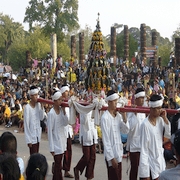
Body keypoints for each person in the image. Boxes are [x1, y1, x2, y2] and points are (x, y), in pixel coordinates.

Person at [139, 94, 171, 180]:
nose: (160, 110)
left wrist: (165, 119)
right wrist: (145, 174)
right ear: (152, 109)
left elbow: (167, 135)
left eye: (160, 108)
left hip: (160, 161)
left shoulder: (160, 120)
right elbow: (144, 150)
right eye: (158, 108)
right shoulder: (145, 125)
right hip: (150, 164)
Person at [100, 90, 129, 180]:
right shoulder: (105, 118)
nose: (116, 103)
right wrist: (111, 158)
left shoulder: (118, 116)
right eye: (114, 101)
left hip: (118, 152)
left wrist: (124, 117)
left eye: (117, 101)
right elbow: (106, 140)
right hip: (111, 154)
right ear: (109, 102)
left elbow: (125, 130)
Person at [47, 91, 68, 180]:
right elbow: (50, 132)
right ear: (55, 101)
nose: (60, 101)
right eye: (59, 100)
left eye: (61, 100)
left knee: (59, 165)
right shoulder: (51, 113)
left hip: (62, 141)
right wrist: (51, 147)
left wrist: (64, 112)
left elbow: (65, 123)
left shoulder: (61, 111)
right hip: (55, 143)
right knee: (58, 165)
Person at [126, 88, 146, 180]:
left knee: (143, 168)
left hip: (143, 144)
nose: (142, 100)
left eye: (143, 98)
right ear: (136, 99)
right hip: (134, 145)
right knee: (134, 168)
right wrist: (135, 114)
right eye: (141, 98)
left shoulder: (145, 110)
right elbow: (130, 128)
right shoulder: (131, 111)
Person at [74, 110, 98, 180]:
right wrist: (88, 108)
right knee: (86, 157)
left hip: (93, 134)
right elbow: (83, 121)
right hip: (86, 135)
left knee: (92, 157)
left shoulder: (95, 108)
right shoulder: (83, 109)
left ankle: (89, 176)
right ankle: (77, 168)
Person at [24, 85, 45, 155]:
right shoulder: (27, 108)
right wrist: (28, 140)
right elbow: (26, 124)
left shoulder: (38, 105)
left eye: (37, 95)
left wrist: (42, 107)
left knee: (37, 154)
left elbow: (41, 118)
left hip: (37, 135)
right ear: (31, 96)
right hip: (31, 137)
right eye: (35, 95)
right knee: (33, 156)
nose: (37, 97)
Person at [61, 85, 74, 178]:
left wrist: (72, 130)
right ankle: (57, 166)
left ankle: (66, 170)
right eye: (66, 91)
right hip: (62, 130)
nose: (67, 93)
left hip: (68, 130)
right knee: (61, 151)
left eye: (68, 91)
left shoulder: (69, 103)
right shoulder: (60, 103)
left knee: (68, 151)